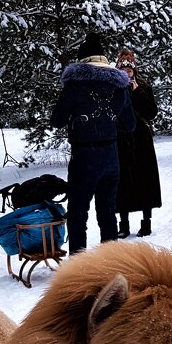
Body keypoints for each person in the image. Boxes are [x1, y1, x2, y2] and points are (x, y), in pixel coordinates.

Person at [50, 32, 135, 254]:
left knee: (78, 214)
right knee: (107, 213)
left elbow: (56, 120)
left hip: (84, 157)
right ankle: (110, 265)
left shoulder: (75, 85)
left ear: (83, 60)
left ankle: (79, 271)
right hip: (111, 158)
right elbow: (130, 125)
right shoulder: (120, 87)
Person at [113, 48, 162, 238]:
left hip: (141, 139)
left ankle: (146, 222)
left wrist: (138, 92)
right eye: (123, 69)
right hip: (121, 139)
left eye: (130, 70)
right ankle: (123, 224)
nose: (127, 72)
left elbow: (151, 113)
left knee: (145, 179)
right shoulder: (114, 89)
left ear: (135, 71)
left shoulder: (143, 87)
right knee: (122, 181)